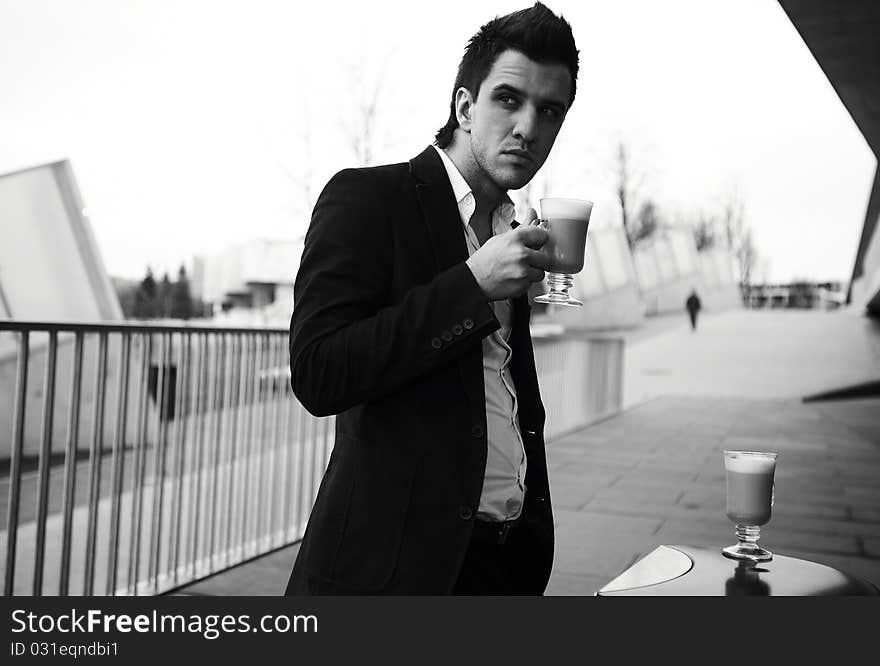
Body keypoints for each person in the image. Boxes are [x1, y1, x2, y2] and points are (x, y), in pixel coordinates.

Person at [284, 2, 579, 595]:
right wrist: (472, 285)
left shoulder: (510, 227)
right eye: (508, 99)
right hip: (393, 575)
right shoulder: (367, 199)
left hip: (503, 568)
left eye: (550, 110)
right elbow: (319, 372)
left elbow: (495, 390)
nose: (528, 126)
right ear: (465, 107)